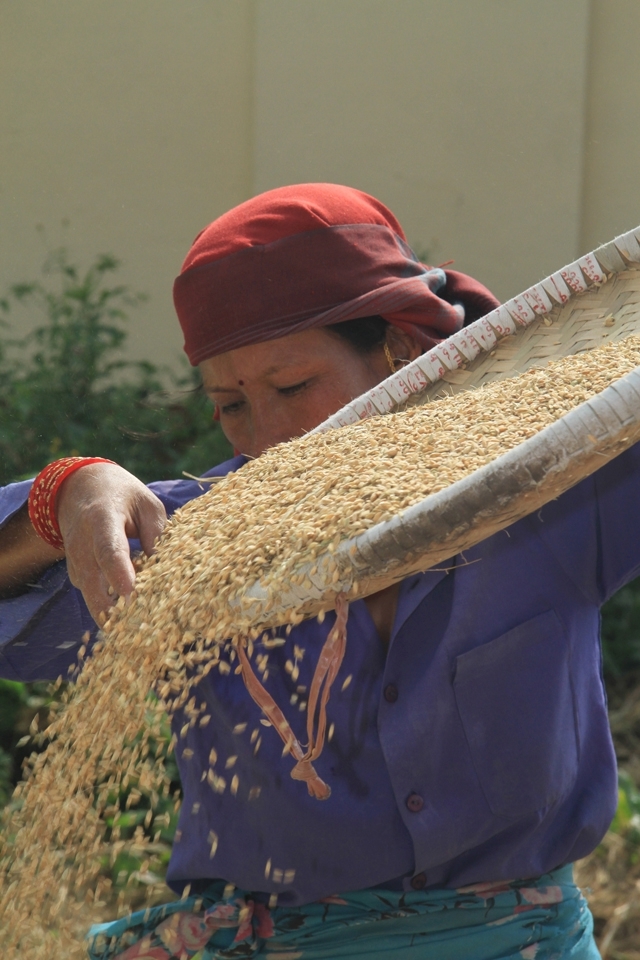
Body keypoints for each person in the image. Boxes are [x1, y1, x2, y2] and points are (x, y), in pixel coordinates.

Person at [0, 183, 623, 958]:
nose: (268, 437)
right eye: (229, 403)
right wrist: (65, 497)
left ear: (397, 351)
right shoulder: (196, 545)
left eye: (292, 387)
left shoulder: (541, 491)